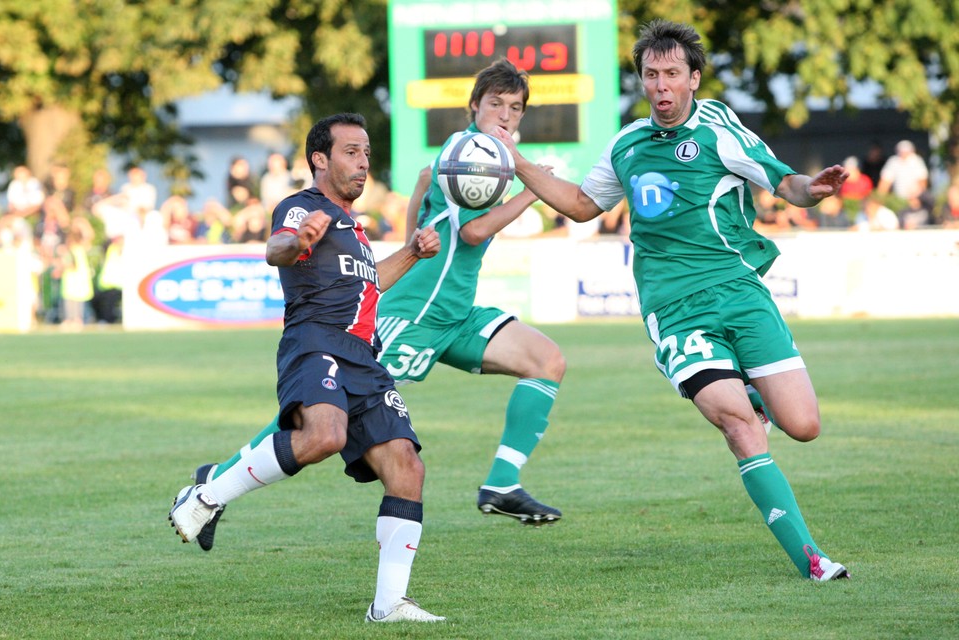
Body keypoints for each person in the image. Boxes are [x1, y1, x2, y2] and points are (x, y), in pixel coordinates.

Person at [492, 19, 848, 581]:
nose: (660, 85)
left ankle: (750, 389)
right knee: (740, 429)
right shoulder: (626, 144)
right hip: (676, 309)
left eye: (672, 74)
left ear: (693, 79)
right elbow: (583, 205)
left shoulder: (719, 129)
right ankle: (812, 558)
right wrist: (517, 162)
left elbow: (785, 184)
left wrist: (814, 189)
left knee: (803, 425)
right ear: (641, 80)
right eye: (650, 74)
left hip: (740, 292)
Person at [168, 113, 445, 623]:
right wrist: (298, 241)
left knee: (407, 465)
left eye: (366, 154)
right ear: (320, 159)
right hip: (315, 339)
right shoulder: (301, 207)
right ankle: (207, 494)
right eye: (351, 152)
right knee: (324, 434)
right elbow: (276, 249)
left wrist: (412, 252)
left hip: (364, 356)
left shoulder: (356, 231)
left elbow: (371, 282)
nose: (363, 163)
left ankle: (389, 605)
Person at [379, 58, 566, 524]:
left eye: (516, 107)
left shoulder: (482, 152)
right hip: (417, 312)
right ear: (475, 106)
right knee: (336, 410)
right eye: (496, 104)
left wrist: (411, 242)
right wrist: (534, 189)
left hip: (455, 312)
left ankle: (502, 484)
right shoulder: (471, 148)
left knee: (547, 361)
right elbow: (473, 233)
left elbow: (424, 178)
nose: (505, 115)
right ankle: (222, 477)